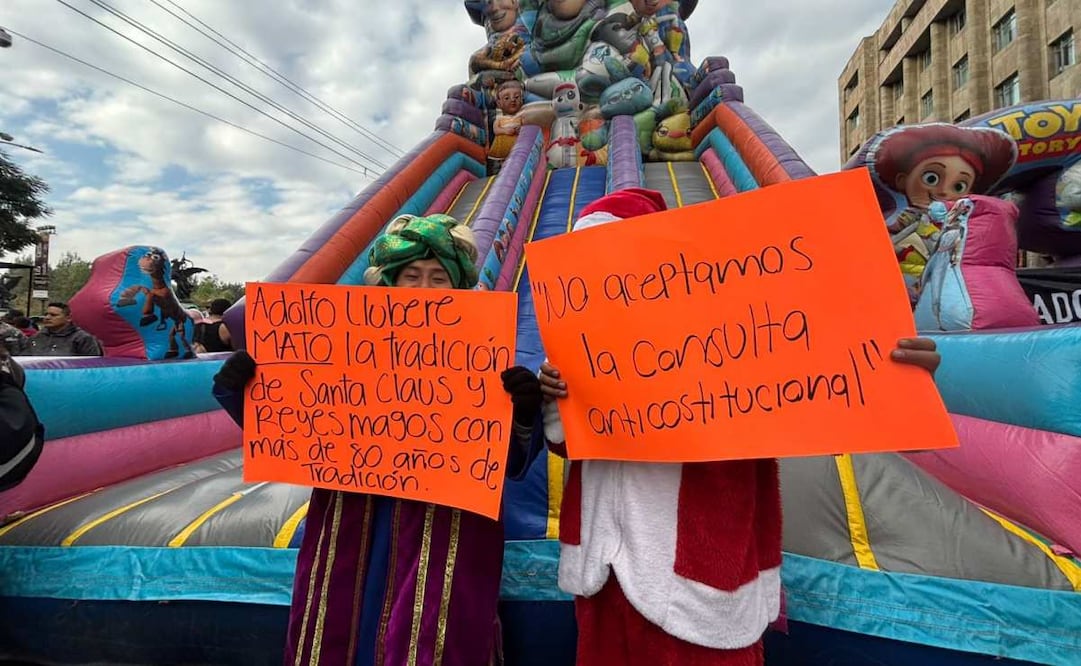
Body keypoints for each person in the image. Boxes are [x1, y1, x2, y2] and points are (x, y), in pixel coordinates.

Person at [535, 188, 944, 666]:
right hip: (603, 577)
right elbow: (567, 443)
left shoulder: (735, 333)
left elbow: (824, 386)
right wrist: (554, 400)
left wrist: (893, 374)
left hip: (699, 581)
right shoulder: (580, 344)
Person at [212, 213, 546, 666]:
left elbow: (507, 460)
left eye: (438, 278)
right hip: (353, 524)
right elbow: (291, 430)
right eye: (411, 276)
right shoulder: (336, 351)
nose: (425, 290)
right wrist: (247, 388)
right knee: (342, 632)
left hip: (448, 532)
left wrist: (521, 412)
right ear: (388, 283)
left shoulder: (487, 360)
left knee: (438, 639)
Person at [22, 302, 102, 356]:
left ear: (68, 318)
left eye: (53, 315)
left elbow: (92, 365)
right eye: (46, 314)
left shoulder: (82, 339)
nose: (47, 318)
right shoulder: (36, 338)